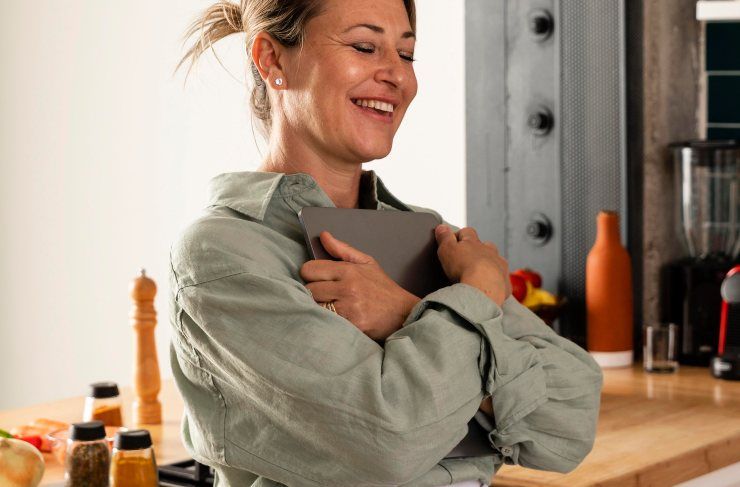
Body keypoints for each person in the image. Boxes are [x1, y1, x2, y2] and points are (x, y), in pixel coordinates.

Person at [169, 0, 604, 486]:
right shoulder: (222, 255)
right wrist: (477, 293)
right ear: (272, 59)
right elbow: (392, 441)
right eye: (364, 46)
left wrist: (405, 312)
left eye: (407, 54)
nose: (397, 76)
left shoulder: (425, 233)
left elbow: (570, 424)